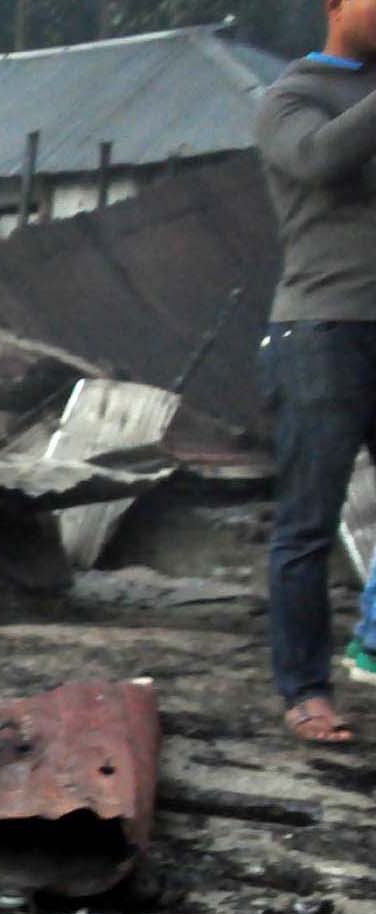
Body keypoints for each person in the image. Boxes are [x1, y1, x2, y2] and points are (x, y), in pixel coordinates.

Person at [255, 0, 376, 742]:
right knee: (307, 521)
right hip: (322, 328)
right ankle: (305, 688)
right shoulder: (291, 96)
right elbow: (323, 158)